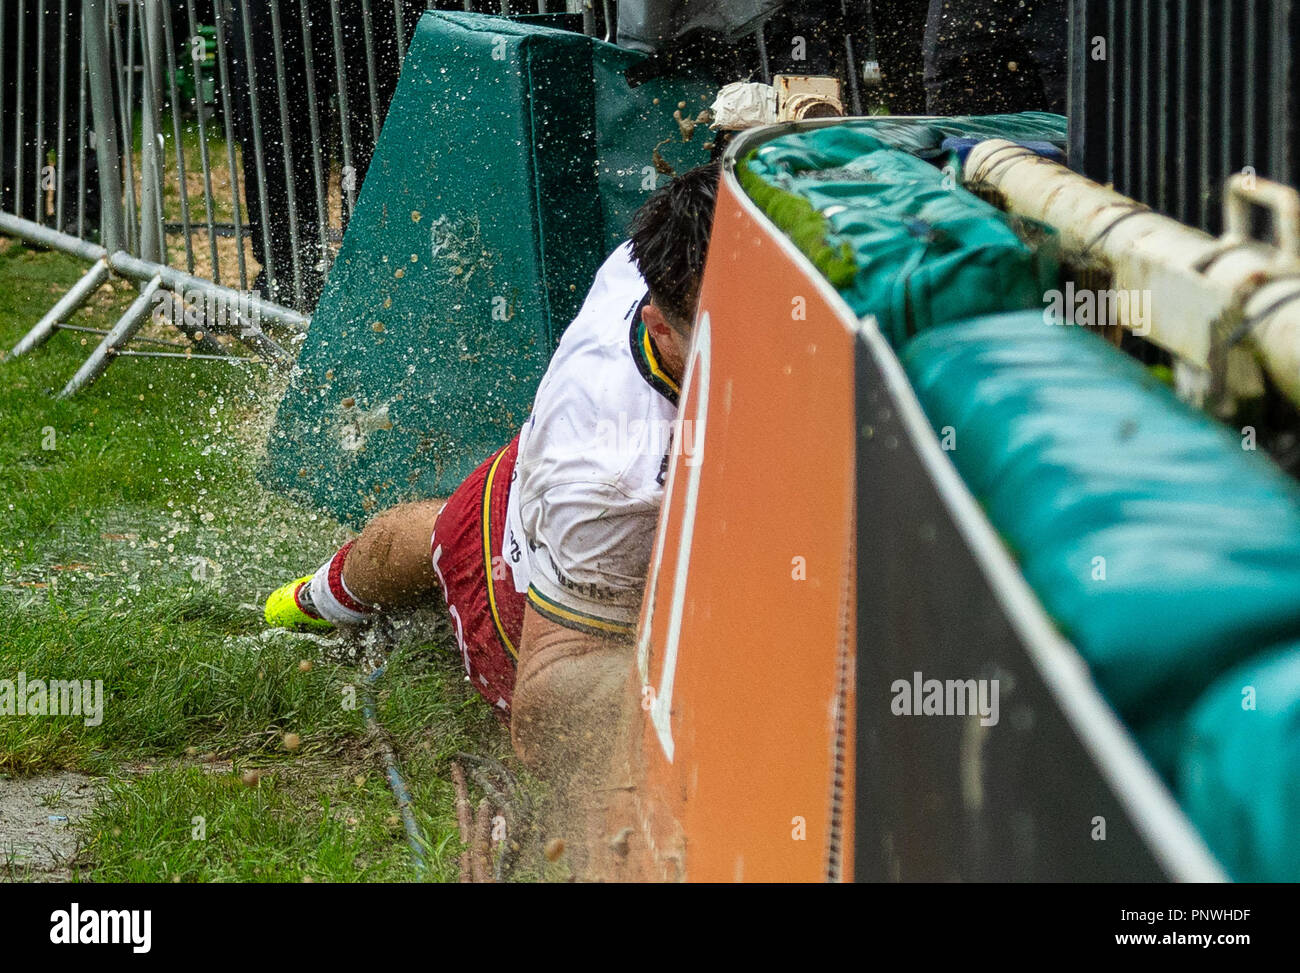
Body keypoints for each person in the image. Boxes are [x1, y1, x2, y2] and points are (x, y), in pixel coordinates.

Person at [263, 162, 720, 864]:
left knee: (438, 528)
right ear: (660, 329)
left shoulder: (682, 247)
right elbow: (545, 715)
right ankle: (306, 602)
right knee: (434, 542)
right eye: (725, 345)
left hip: (538, 466)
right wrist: (715, 675)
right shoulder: (610, 478)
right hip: (523, 587)